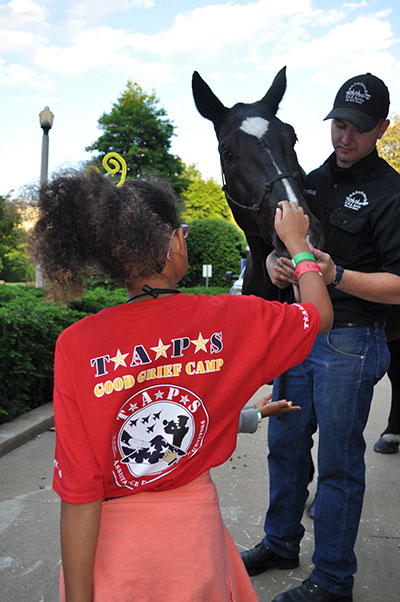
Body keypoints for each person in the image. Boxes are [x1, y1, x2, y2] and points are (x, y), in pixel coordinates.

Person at [33, 168, 332, 602]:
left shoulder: (75, 345)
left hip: (113, 554)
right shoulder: (230, 319)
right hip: (193, 545)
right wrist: (298, 245)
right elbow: (318, 316)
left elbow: (79, 492)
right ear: (174, 242)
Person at [240, 72, 400, 602]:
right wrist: (275, 262)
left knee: (337, 462)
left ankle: (333, 578)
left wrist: (335, 276)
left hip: (349, 343)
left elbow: (399, 286)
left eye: (357, 128)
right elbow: (278, 243)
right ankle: (281, 542)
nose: (344, 137)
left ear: (381, 127)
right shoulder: (306, 181)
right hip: (298, 334)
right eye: (337, 124)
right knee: (284, 448)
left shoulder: (390, 192)